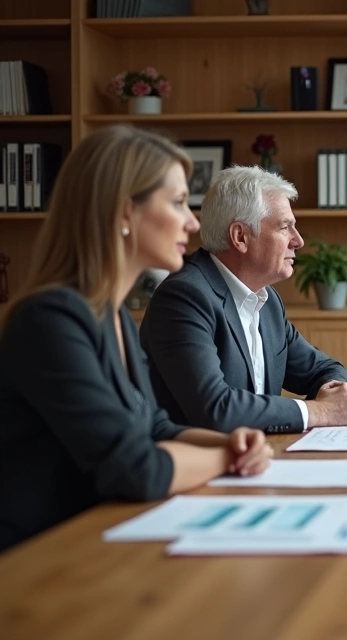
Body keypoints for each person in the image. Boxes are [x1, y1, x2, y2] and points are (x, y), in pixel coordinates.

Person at [0, 125, 273, 552]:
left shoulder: (115, 316)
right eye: (179, 202)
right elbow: (136, 468)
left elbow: (154, 426)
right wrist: (228, 459)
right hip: (37, 561)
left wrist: (229, 440)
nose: (193, 221)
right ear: (125, 213)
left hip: (100, 538)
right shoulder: (50, 320)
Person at [140, 166, 347, 434]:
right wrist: (322, 411)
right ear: (240, 236)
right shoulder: (184, 297)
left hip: (257, 460)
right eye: (285, 227)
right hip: (197, 468)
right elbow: (216, 408)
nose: (299, 241)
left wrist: (342, 394)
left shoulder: (266, 299)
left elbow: (323, 367)